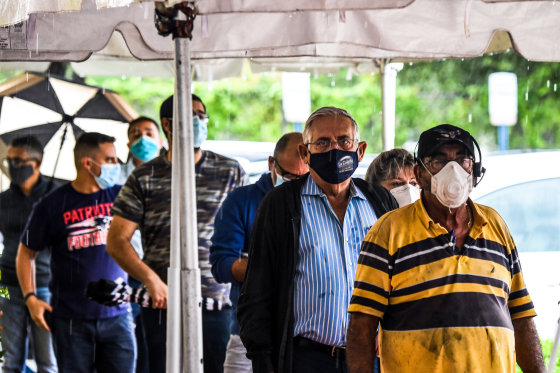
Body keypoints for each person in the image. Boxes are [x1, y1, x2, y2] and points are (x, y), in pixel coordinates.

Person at [347, 124, 544, 373]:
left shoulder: (495, 225)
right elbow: (361, 326)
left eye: (463, 160)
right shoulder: (387, 232)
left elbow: (521, 316)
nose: (454, 170)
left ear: (475, 171)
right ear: (419, 174)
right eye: (439, 161)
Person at [237, 106, 398, 373]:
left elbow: (400, 278)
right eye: (322, 142)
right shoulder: (281, 204)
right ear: (304, 153)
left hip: (374, 358)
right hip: (307, 360)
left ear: (360, 151)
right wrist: (263, 360)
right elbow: (257, 292)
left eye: (344, 141)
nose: (334, 150)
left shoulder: (379, 201)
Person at [107, 94, 248, 373]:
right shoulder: (144, 177)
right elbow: (116, 240)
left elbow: (251, 235)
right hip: (162, 301)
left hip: (217, 302)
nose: (198, 121)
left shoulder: (230, 172)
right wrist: (150, 280)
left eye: (201, 115)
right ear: (167, 124)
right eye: (190, 115)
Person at [16, 132, 136, 373]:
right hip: (71, 320)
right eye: (111, 160)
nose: (117, 165)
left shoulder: (121, 196)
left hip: (118, 315)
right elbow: (25, 254)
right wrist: (31, 299)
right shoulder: (52, 205)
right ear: (88, 163)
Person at [210, 132, 309, 373]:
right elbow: (222, 264)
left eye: (304, 177)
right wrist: (275, 267)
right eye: (289, 176)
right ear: (271, 164)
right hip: (249, 330)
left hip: (305, 334)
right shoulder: (241, 201)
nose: (296, 183)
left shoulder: (317, 200)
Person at [0, 135, 57, 373]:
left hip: (45, 284)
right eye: (10, 161)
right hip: (5, 284)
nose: (14, 166)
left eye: (20, 161)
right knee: (9, 359)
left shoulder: (56, 197)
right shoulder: (3, 200)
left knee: (47, 360)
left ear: (38, 162)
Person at [118, 115, 163, 373]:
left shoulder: (174, 176)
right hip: (127, 271)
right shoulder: (115, 178)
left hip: (160, 270)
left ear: (160, 140)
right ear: (128, 143)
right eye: (136, 134)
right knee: (126, 342)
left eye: (148, 132)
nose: (142, 138)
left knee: (152, 342)